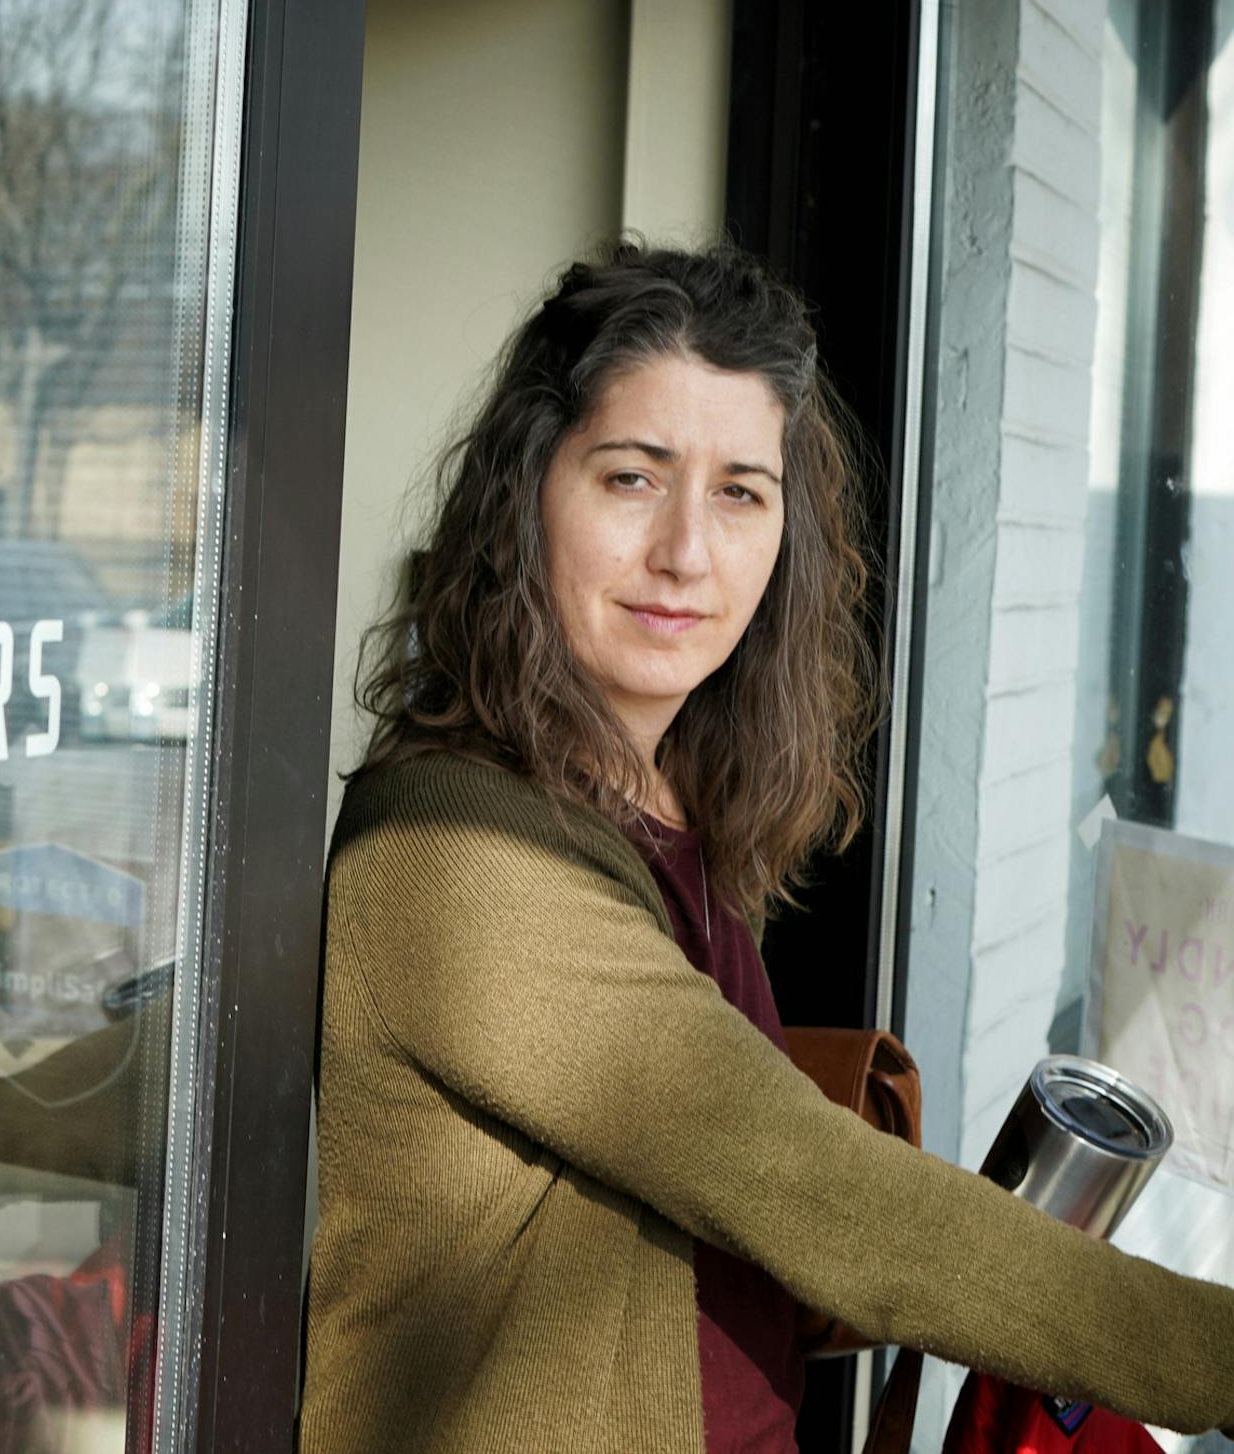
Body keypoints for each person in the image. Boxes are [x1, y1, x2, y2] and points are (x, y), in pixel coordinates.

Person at [300, 239, 1234, 1453]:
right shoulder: (453, 852)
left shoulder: (657, 799)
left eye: (742, 490)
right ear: (529, 493)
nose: (688, 551)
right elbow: (813, 1192)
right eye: (633, 478)